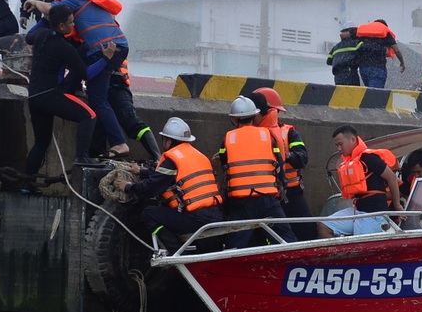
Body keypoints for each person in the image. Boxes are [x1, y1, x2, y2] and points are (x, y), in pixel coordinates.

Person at [24, 0, 130, 159]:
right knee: (81, 59)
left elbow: (49, 10)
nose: (73, 24)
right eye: (71, 22)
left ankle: (119, 143)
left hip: (104, 49)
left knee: (97, 100)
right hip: (115, 44)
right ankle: (69, 91)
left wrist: (35, 2)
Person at [22, 4, 115, 192]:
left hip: (34, 97)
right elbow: (86, 73)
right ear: (62, 26)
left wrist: (44, 20)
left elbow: (28, 36)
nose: (74, 25)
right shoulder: (64, 47)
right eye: (71, 23)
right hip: (50, 95)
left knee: (41, 143)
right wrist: (106, 58)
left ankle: (26, 184)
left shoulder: (41, 35)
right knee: (89, 115)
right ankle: (81, 157)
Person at [115, 117, 224, 254]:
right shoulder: (198, 156)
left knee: (149, 214)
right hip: (217, 215)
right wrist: (141, 171)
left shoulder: (172, 158)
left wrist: (128, 187)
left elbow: (151, 187)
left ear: (168, 141)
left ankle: (177, 252)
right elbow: (166, 175)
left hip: (196, 220)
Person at [216, 96, 296, 249]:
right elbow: (279, 163)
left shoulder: (228, 138)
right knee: (284, 239)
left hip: (241, 202)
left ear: (234, 119)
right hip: (268, 199)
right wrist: (283, 185)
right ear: (254, 116)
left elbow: (224, 164)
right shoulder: (267, 135)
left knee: (237, 244)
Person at [251, 87, 316, 241]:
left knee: (307, 232)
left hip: (291, 194)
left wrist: (287, 155)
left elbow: (302, 158)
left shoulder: (288, 132)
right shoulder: (249, 134)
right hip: (263, 195)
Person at [318, 125, 403, 238]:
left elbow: (391, 177)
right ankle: (342, 250)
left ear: (353, 139)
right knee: (323, 226)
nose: (339, 148)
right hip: (358, 210)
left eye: (341, 144)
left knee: (360, 244)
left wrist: (397, 205)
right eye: (337, 145)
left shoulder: (368, 158)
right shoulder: (351, 162)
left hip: (373, 214)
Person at [90, 59, 162, 165]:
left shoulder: (112, 48)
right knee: (98, 129)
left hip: (117, 88)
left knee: (132, 122)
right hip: (98, 91)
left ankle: (158, 158)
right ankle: (96, 161)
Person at [356, 19, 406, 88]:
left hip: (364, 68)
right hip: (377, 67)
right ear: (385, 26)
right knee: (375, 92)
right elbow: (396, 50)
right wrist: (402, 63)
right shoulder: (385, 32)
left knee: (368, 91)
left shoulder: (364, 33)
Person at [326, 22, 362, 86]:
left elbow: (328, 61)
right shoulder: (357, 43)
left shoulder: (336, 47)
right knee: (353, 91)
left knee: (340, 91)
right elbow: (364, 55)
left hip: (337, 76)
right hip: (350, 73)